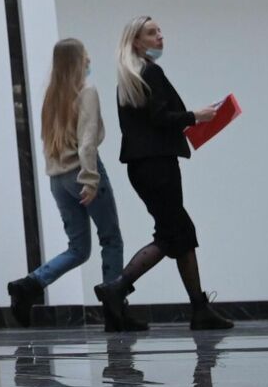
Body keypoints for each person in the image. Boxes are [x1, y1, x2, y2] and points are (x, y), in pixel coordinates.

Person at [93, 16, 235, 331]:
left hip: (141, 167)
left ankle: (198, 308)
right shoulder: (151, 72)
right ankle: (117, 287)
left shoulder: (128, 78)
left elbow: (145, 122)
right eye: (152, 32)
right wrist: (195, 116)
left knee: (179, 233)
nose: (160, 36)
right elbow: (160, 117)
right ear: (136, 41)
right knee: (174, 233)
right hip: (159, 165)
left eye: (159, 31)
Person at [6, 38, 132, 329]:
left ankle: (29, 285)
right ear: (77, 61)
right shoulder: (87, 92)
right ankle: (115, 311)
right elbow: (87, 142)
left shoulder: (51, 98)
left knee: (78, 249)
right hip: (82, 173)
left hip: (58, 180)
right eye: (85, 54)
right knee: (111, 239)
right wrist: (90, 179)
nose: (89, 59)